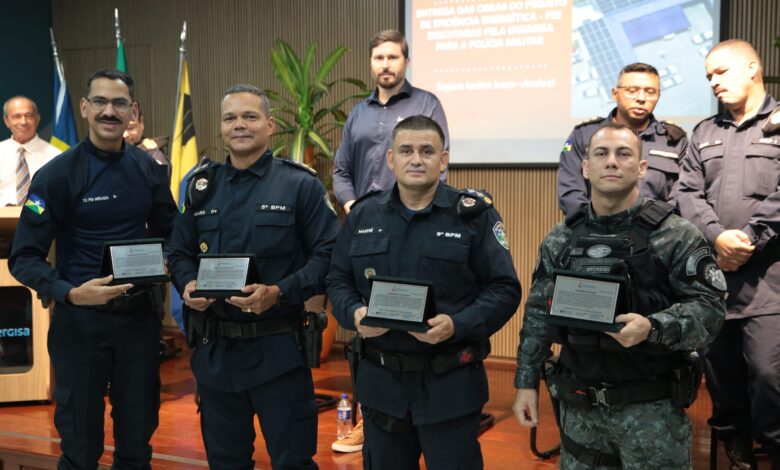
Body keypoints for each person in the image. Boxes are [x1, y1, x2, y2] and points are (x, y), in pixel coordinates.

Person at [514, 123, 726, 469]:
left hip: (652, 415)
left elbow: (711, 310)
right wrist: (526, 383)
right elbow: (538, 314)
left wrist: (653, 327)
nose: (611, 161)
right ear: (586, 167)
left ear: (641, 168)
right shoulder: (561, 238)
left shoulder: (675, 234)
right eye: (601, 154)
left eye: (623, 154)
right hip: (579, 411)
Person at [327, 115, 521, 469]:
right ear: (391, 159)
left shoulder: (473, 216)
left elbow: (504, 289)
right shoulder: (364, 215)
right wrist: (354, 313)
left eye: (427, 151)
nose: (416, 159)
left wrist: (457, 324)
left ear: (443, 160)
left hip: (449, 383)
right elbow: (337, 280)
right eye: (406, 150)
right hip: (382, 385)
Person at [9, 69, 177, 470]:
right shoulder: (55, 176)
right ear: (84, 107)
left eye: (119, 103)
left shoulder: (149, 169)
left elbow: (172, 232)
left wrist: (169, 260)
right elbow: (24, 258)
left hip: (138, 320)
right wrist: (69, 291)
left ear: (133, 111)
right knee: (80, 445)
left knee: (137, 439)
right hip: (80, 324)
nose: (109, 111)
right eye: (99, 101)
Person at [167, 84, 339, 470]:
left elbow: (330, 256)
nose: (239, 125)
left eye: (250, 116)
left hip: (279, 351)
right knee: (225, 463)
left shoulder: (300, 184)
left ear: (270, 125)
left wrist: (279, 291)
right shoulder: (200, 186)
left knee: (293, 463)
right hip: (216, 354)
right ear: (221, 127)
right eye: (230, 118)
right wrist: (188, 284)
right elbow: (178, 252)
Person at [677, 39, 780, 469]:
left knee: (769, 375)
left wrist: (749, 239)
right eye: (708, 77)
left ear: (753, 68)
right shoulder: (703, 133)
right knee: (720, 372)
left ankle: (774, 445)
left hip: (769, 283)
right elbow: (686, 192)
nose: (714, 82)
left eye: (721, 72)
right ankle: (736, 443)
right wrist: (718, 237)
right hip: (715, 279)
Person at [333, 29, 450, 214]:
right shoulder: (357, 113)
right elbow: (341, 171)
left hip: (412, 219)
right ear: (370, 62)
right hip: (364, 219)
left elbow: (438, 168)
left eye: (393, 57)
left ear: (407, 62)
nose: (385, 65)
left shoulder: (427, 104)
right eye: (379, 58)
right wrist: (353, 208)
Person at [558, 63, 688, 215]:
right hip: (594, 226)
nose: (641, 98)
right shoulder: (583, 135)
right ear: (615, 94)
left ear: (658, 96)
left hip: (658, 227)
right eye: (632, 91)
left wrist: (653, 222)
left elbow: (682, 194)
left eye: (650, 92)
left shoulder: (673, 140)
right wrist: (594, 223)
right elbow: (570, 192)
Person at [1, 96, 60, 206]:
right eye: (17, 116)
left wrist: (32, 210)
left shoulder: (55, 156)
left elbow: (57, 196)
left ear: (37, 119)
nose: (23, 122)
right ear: (6, 121)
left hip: (41, 215)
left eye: (29, 116)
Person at [123, 105, 170, 170]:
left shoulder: (153, 158)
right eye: (119, 129)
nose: (124, 135)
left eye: (130, 128)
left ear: (141, 123)